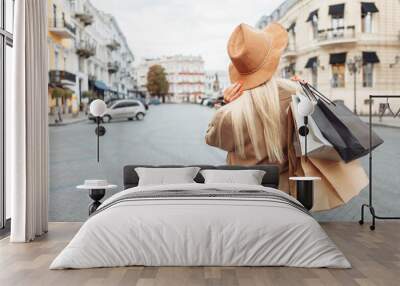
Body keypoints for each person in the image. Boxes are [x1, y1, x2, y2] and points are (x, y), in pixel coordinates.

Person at [205, 22, 368, 210]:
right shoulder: (295, 94)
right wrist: (307, 91)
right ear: (273, 63)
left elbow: (213, 139)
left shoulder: (230, 113)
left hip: (243, 196)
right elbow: (321, 126)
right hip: (286, 195)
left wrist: (228, 105)